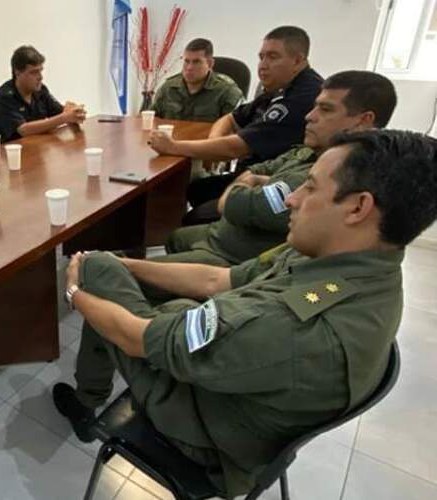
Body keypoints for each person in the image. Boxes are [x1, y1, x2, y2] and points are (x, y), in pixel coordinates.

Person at [53, 129, 437, 497]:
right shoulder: (350, 261)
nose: (292, 198)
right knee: (117, 271)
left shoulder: (294, 327)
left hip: (204, 436)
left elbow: (136, 338)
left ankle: (87, 403)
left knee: (97, 274)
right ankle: (97, 367)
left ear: (358, 207)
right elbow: (217, 280)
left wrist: (75, 290)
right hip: (246, 401)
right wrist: (128, 265)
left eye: (311, 187)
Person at [157, 70, 397, 268]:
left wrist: (250, 182)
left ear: (364, 120)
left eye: (326, 109)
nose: (309, 116)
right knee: (176, 237)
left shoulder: (331, 176)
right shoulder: (312, 150)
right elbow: (260, 167)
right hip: (227, 237)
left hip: (236, 261)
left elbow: (233, 205)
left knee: (132, 277)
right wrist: (251, 180)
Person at [150, 26, 323, 225]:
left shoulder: (302, 96)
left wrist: (174, 147)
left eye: (273, 57)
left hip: (273, 181)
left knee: (193, 216)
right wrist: (212, 142)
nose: (263, 65)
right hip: (251, 171)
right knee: (196, 189)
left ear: (298, 60)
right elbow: (231, 118)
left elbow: (236, 147)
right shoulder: (280, 88)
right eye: (261, 57)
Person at [0, 45, 86, 142]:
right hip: (10, 153)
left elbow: (61, 112)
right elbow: (23, 130)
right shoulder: (5, 96)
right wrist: (64, 118)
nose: (40, 77)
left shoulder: (40, 90)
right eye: (34, 72)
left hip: (37, 148)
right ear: (17, 73)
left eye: (40, 71)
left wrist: (75, 113)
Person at [151, 38, 243, 122]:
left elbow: (236, 130)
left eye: (196, 62)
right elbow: (149, 120)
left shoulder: (227, 91)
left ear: (210, 64)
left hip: (208, 139)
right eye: (186, 61)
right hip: (172, 138)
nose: (189, 67)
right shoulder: (168, 88)